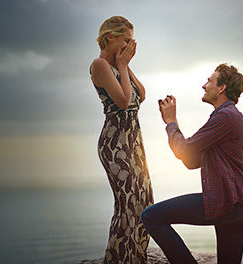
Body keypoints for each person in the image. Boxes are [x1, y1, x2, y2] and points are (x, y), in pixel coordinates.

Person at [141, 64, 243, 264]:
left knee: (151, 217)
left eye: (209, 81)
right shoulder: (227, 117)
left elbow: (185, 150)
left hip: (227, 201)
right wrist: (179, 138)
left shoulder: (225, 117)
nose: (204, 85)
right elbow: (190, 160)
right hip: (239, 205)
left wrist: (171, 122)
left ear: (221, 88)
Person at [89, 16, 154, 264]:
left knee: (143, 200)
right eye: (126, 40)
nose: (130, 46)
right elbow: (124, 101)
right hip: (115, 143)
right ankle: (119, 259)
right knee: (127, 204)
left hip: (133, 142)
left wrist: (124, 63)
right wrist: (123, 65)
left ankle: (135, 256)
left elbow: (142, 94)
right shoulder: (99, 65)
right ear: (110, 37)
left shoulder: (118, 64)